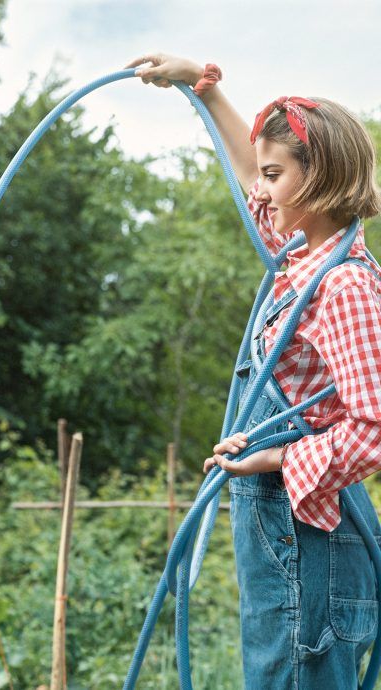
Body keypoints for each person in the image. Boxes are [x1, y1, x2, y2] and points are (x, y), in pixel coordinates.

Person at [127, 54, 381, 688]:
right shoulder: (302, 256)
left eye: (275, 176)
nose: (260, 193)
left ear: (317, 178)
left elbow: (375, 425)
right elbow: (255, 176)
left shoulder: (342, 283)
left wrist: (272, 459)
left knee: (292, 673)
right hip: (287, 519)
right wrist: (203, 89)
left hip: (307, 525)